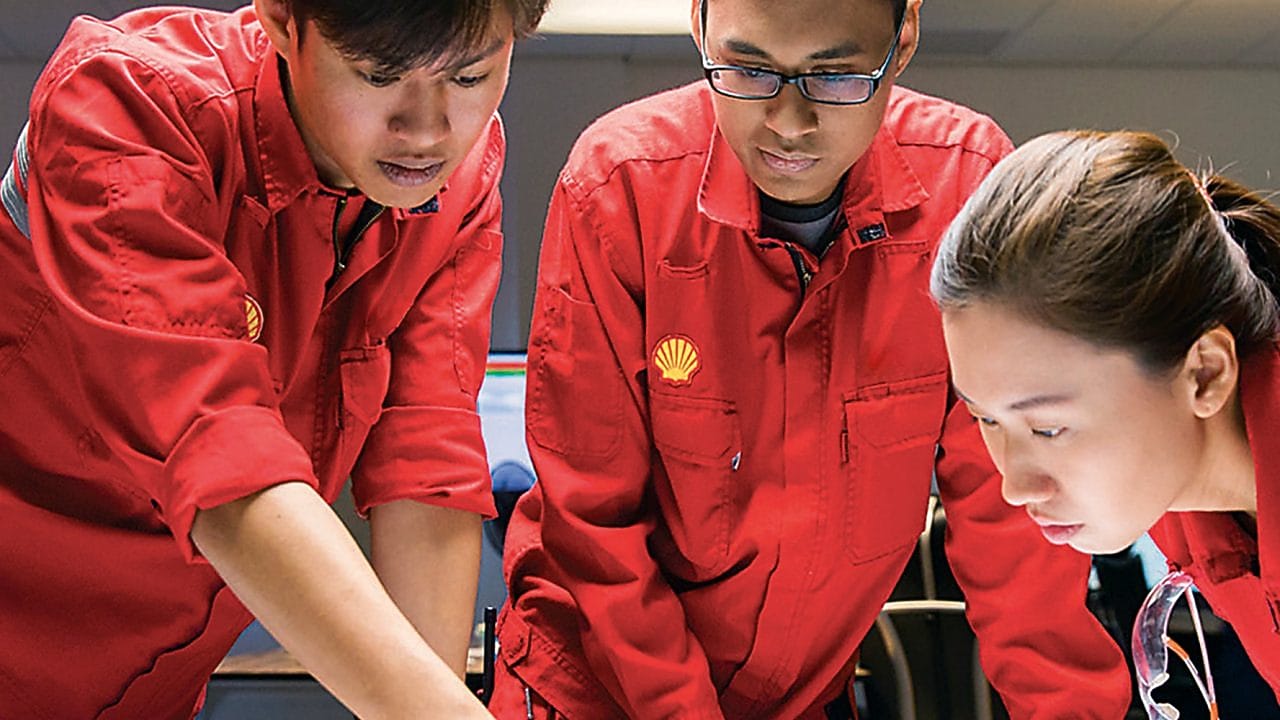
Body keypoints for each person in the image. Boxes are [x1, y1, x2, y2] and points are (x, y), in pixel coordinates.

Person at [491, 0, 1131, 716]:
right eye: (748, 70)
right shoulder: (621, 188)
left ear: (903, 37)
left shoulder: (966, 191)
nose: (789, 123)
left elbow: (1016, 529)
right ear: (699, 24)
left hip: (801, 694)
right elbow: (594, 528)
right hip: (596, 690)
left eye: (835, 77)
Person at [0, 0, 547, 716]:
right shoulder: (129, 105)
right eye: (379, 75)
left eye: (470, 77)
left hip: (153, 688)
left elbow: (426, 456)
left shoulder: (456, 179)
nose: (426, 131)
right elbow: (218, 456)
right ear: (284, 20)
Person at [932, 129, 1280, 701]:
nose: (1015, 488)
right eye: (985, 420)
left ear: (1205, 373)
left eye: (1049, 428)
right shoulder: (1177, 493)